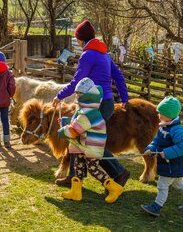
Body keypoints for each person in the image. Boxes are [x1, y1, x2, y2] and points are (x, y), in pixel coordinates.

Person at [52, 19, 130, 188]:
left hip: (93, 103)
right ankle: (75, 178)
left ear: (81, 39)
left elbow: (77, 81)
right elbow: (118, 77)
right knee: (82, 136)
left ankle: (119, 172)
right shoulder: (104, 54)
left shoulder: (87, 55)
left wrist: (60, 96)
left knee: (91, 140)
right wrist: (124, 98)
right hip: (107, 102)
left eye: (77, 39)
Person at [58, 77, 123, 203]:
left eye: (79, 93)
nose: (77, 96)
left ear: (87, 95)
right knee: (78, 166)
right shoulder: (85, 109)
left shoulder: (88, 112)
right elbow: (77, 122)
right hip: (83, 144)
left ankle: (114, 188)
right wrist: (66, 121)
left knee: (93, 168)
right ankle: (76, 192)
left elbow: (76, 129)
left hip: (91, 145)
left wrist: (63, 131)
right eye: (77, 93)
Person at [141, 96, 183, 217]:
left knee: (162, 185)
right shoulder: (163, 127)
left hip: (173, 164)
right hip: (169, 164)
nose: (158, 115)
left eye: (161, 113)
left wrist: (167, 153)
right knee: (178, 183)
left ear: (170, 115)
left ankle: (156, 206)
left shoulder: (178, 131)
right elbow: (156, 142)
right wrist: (150, 149)